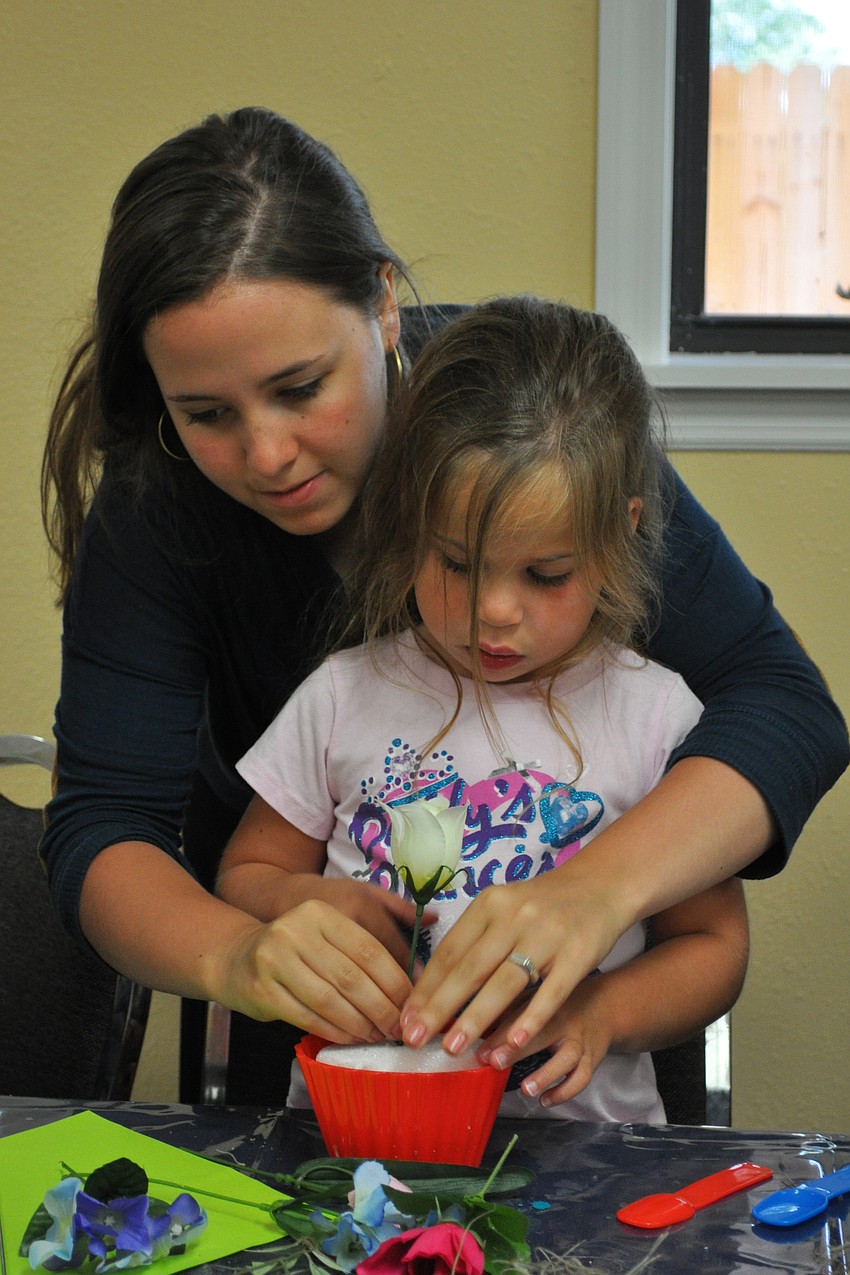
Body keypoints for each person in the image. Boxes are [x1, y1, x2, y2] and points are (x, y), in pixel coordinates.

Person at [39, 106, 847, 1104]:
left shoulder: (518, 427)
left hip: (574, 1086)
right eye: (206, 414)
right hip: (322, 1048)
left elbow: (786, 708)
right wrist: (240, 957)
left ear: (381, 304)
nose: (267, 454)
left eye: (300, 387)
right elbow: (103, 829)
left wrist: (589, 897)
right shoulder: (155, 507)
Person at [218, 296, 750, 1120]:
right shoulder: (341, 693)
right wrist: (297, 904)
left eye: (545, 574)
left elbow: (714, 948)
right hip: (359, 1151)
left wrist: (603, 1011)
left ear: (622, 534)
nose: (494, 611)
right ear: (410, 525)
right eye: (458, 564)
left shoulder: (655, 715)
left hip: (585, 1165)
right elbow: (245, 874)